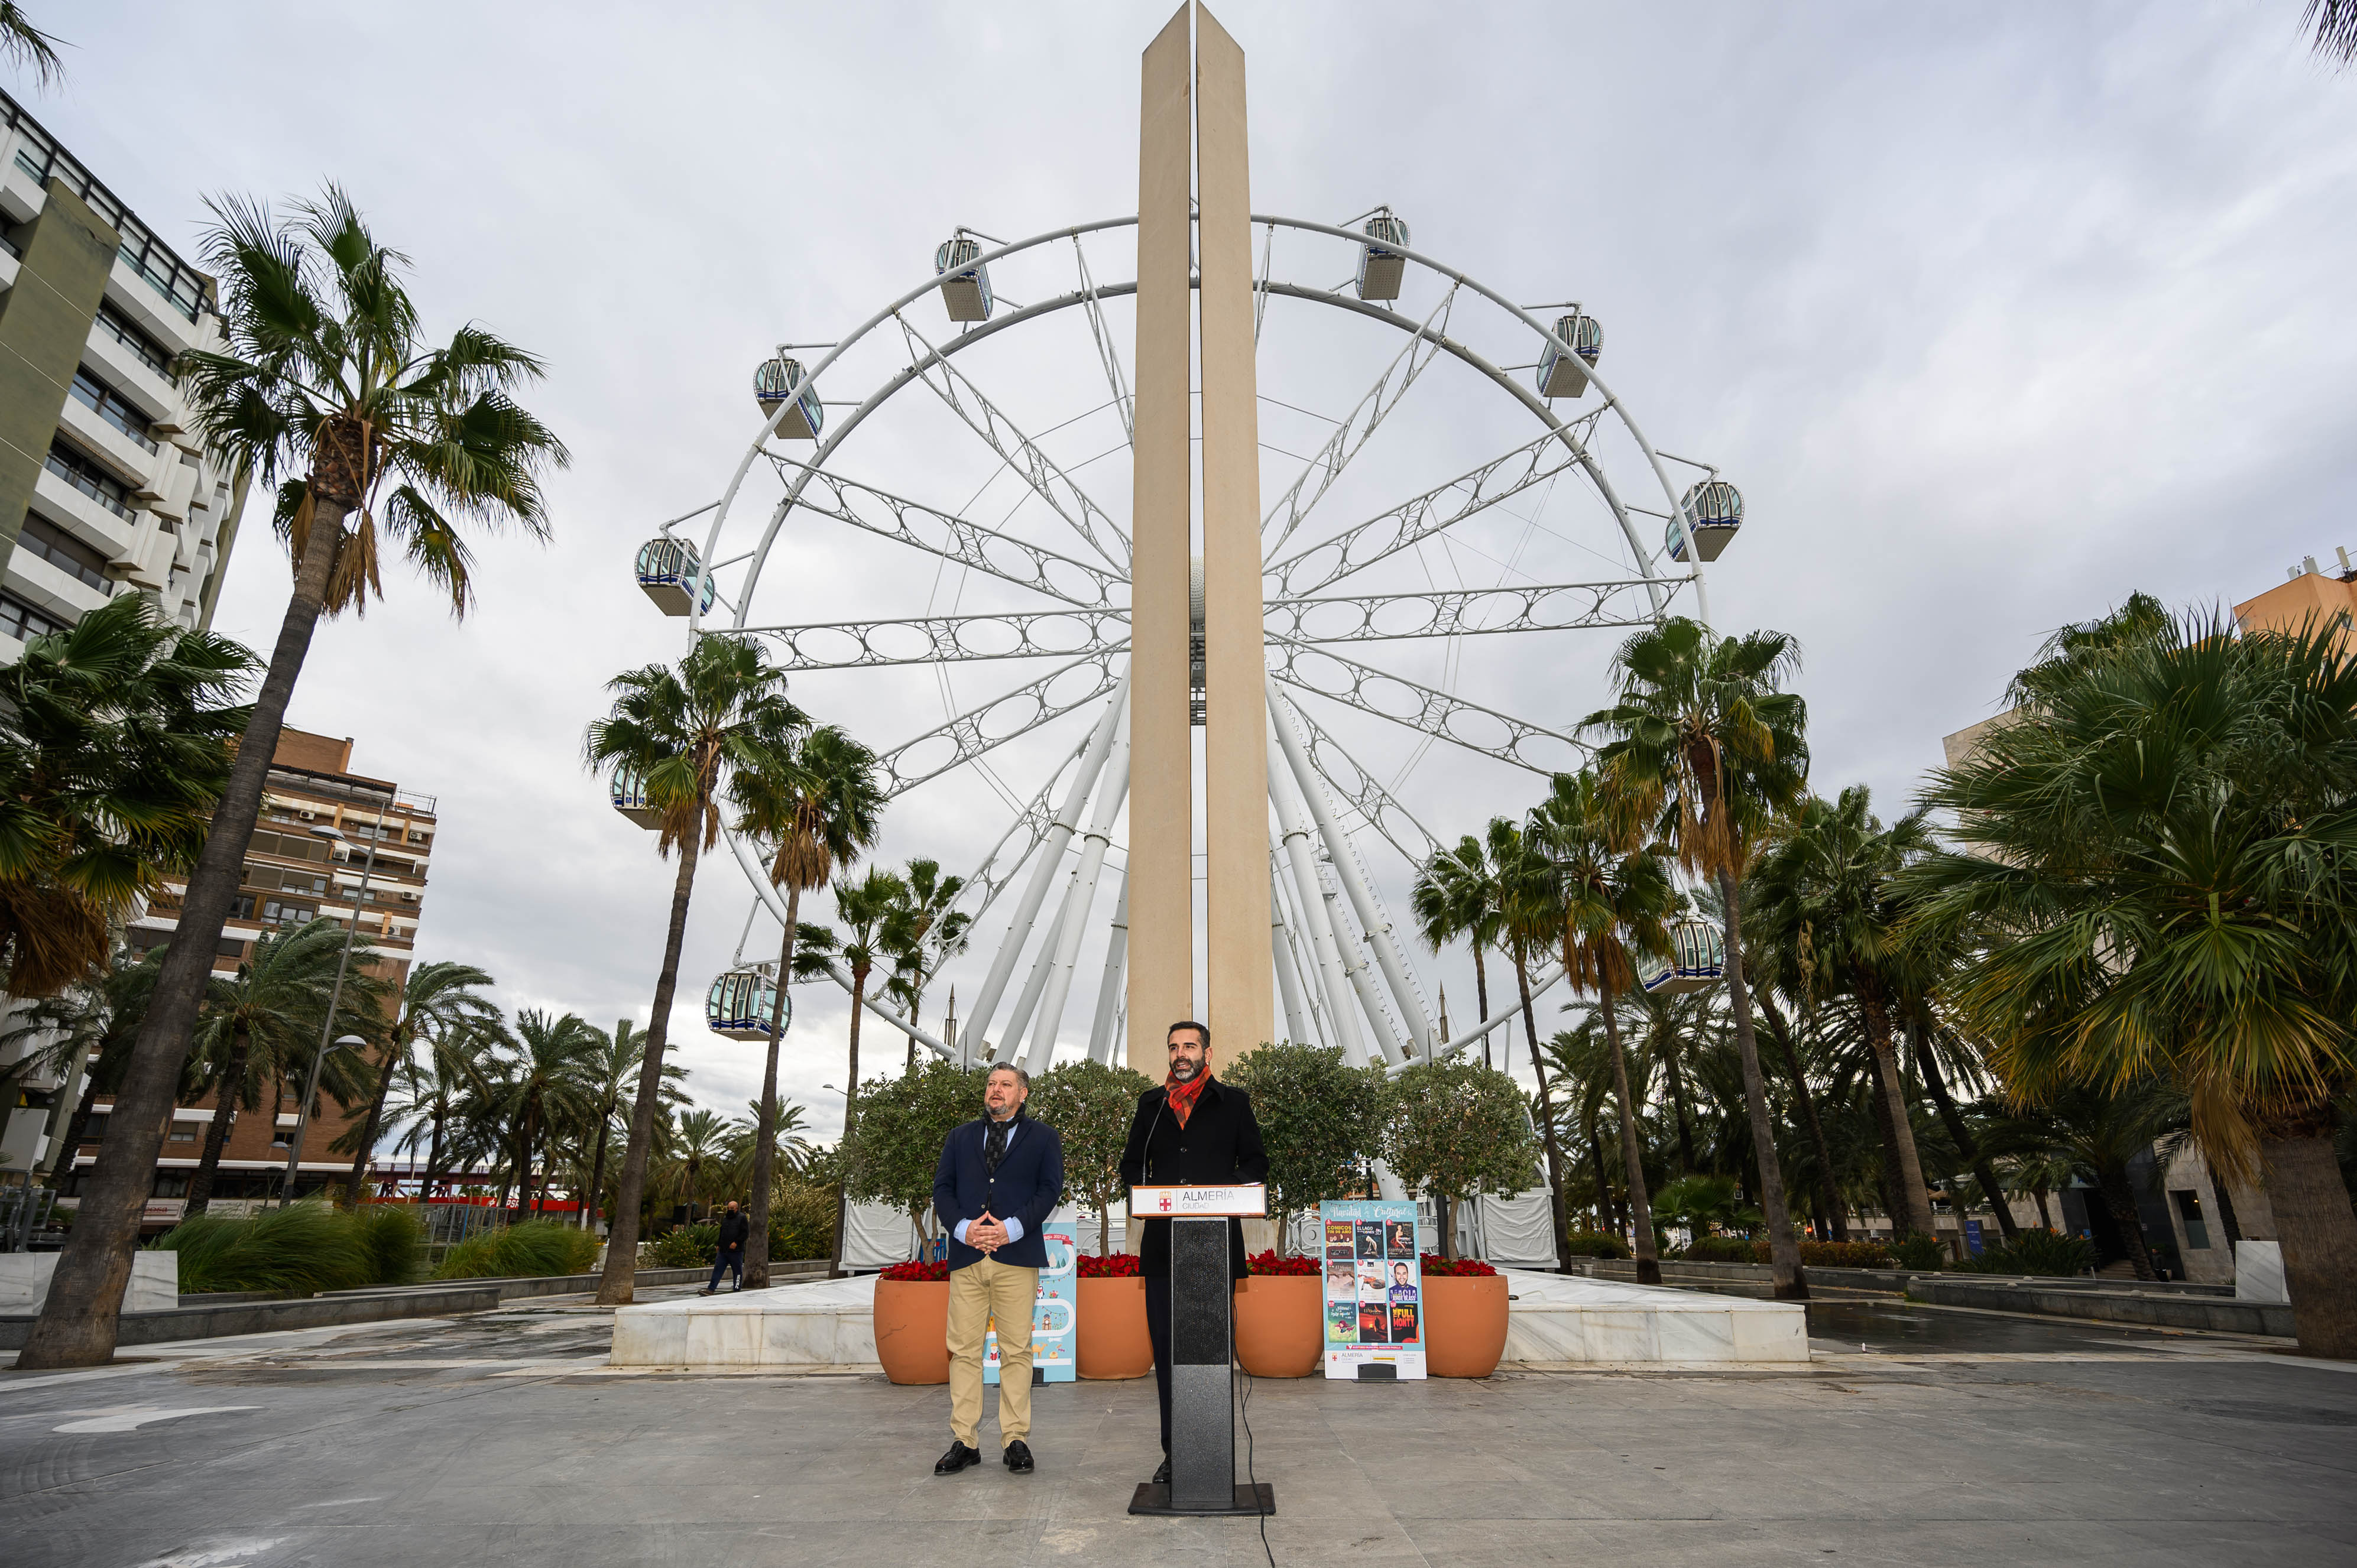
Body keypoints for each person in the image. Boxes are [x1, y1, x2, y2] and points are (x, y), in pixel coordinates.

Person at [1117, 1019, 1269, 1488]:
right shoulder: (1150, 1104)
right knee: (1167, 1355)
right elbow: (1130, 1165)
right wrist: (1152, 1192)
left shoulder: (1234, 1103)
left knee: (1207, 1352)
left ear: (1207, 1051)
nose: (1180, 1054)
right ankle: (1174, 1454)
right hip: (1165, 1250)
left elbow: (1257, 1163)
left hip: (1214, 1249)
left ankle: (1210, 1454)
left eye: (1189, 1046)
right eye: (1173, 1047)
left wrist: (1215, 1193)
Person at [931, 1061, 1064, 1478]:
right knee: (964, 1350)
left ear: (1022, 1093)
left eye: (1006, 1084)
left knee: (1016, 1350)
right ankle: (965, 1441)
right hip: (967, 1256)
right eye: (991, 1083)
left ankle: (1015, 1439)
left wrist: (1010, 1229)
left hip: (1016, 1255)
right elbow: (942, 1189)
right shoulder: (959, 1137)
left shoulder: (1044, 1138)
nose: (996, 1090)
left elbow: (1049, 1189)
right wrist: (963, 1228)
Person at [700, 1200, 748, 1294]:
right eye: (729, 1208)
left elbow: (745, 1233)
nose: (730, 1210)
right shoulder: (726, 1218)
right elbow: (722, 1232)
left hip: (736, 1251)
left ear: (736, 1209)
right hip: (723, 1250)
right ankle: (711, 1289)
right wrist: (719, 1244)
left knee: (737, 1271)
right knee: (718, 1269)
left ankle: (737, 1289)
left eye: (732, 1209)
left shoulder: (742, 1218)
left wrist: (737, 1242)